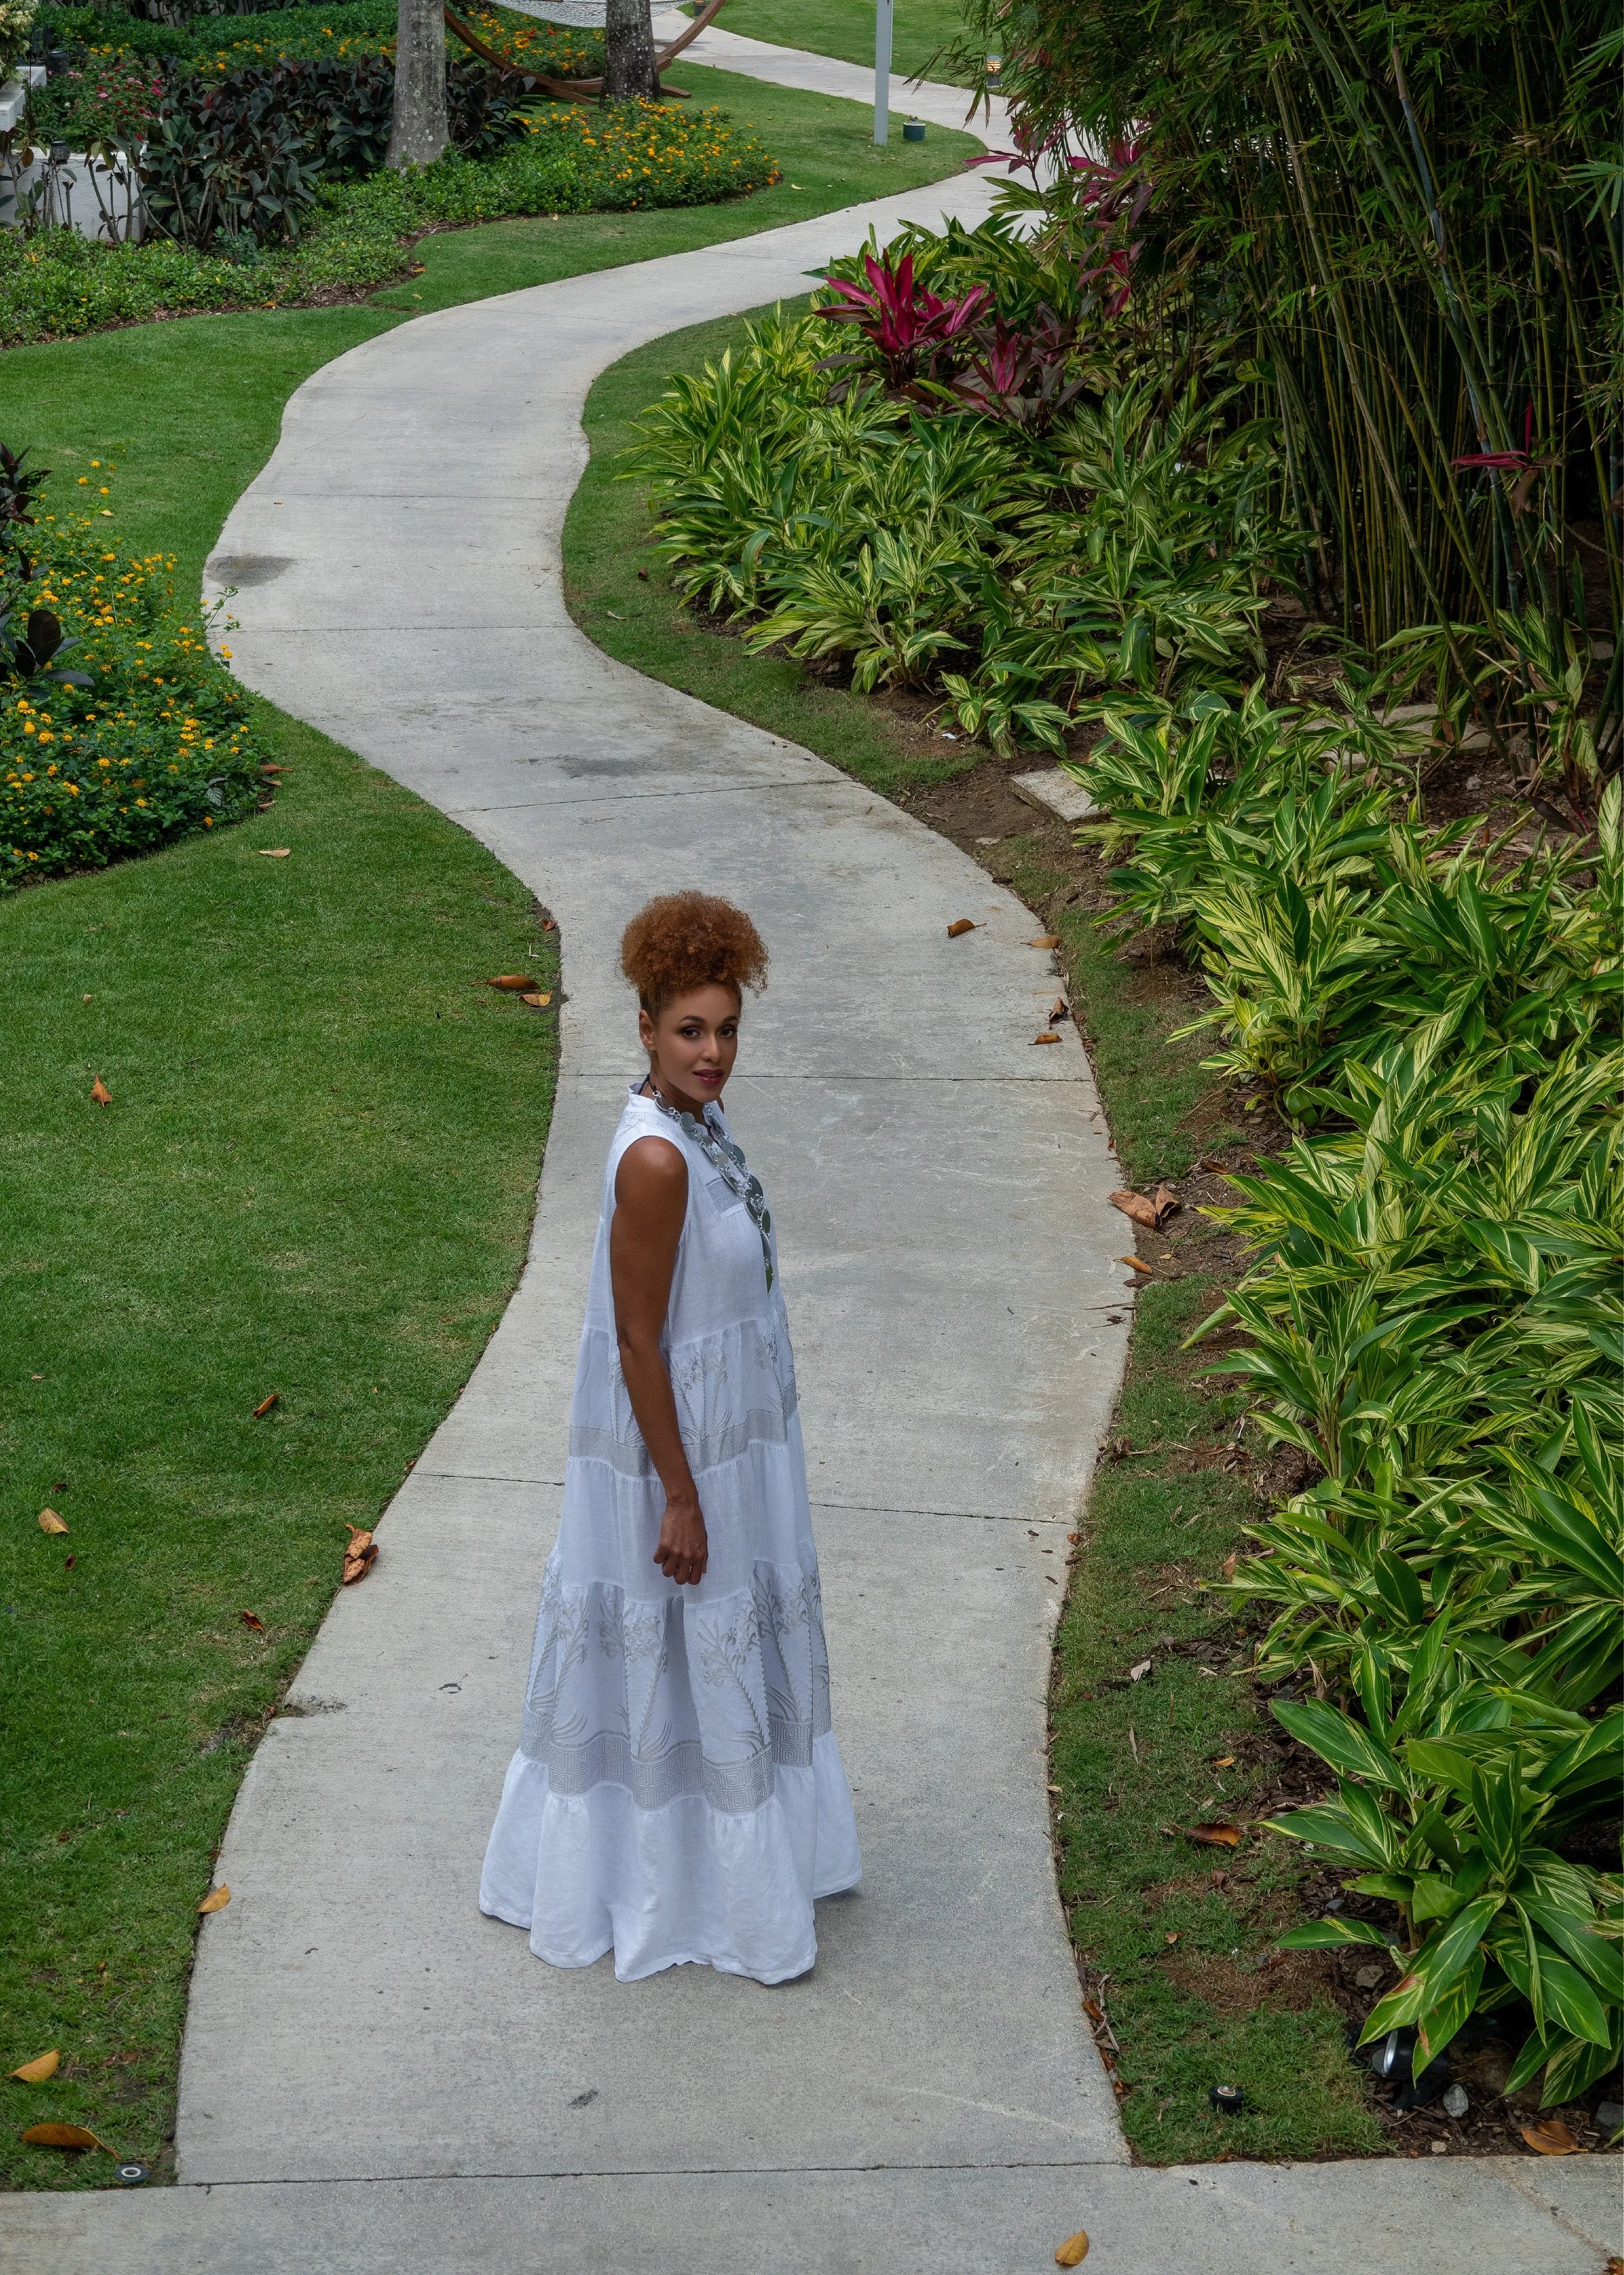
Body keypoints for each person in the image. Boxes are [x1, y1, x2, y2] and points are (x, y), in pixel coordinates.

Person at [480, 891, 862, 1982]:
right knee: (675, 1653)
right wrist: (680, 1497)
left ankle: (728, 1871)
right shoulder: (656, 1159)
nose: (713, 1052)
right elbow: (639, 1344)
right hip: (676, 1455)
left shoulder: (698, 1121)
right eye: (690, 1030)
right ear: (644, 1027)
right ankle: (679, 1898)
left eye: (728, 1028)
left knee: (716, 1659)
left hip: (737, 1446)